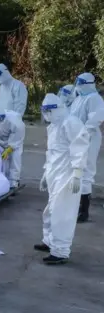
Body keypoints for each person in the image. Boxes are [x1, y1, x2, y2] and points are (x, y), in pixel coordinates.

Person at [35, 94, 90, 265]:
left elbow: (80, 148)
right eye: (44, 111)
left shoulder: (71, 123)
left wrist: (77, 174)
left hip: (67, 175)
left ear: (57, 109)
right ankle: (50, 241)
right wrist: (46, 173)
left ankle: (60, 251)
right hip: (55, 173)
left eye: (48, 111)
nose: (46, 114)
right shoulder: (53, 126)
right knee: (51, 210)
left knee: (63, 213)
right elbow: (51, 152)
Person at [69, 73, 104, 222]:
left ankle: (83, 211)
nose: (78, 84)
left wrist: (83, 134)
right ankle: (75, 206)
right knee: (75, 171)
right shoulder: (79, 98)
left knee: (86, 173)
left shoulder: (94, 99)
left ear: (89, 84)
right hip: (76, 138)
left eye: (81, 82)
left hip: (88, 139)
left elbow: (95, 119)